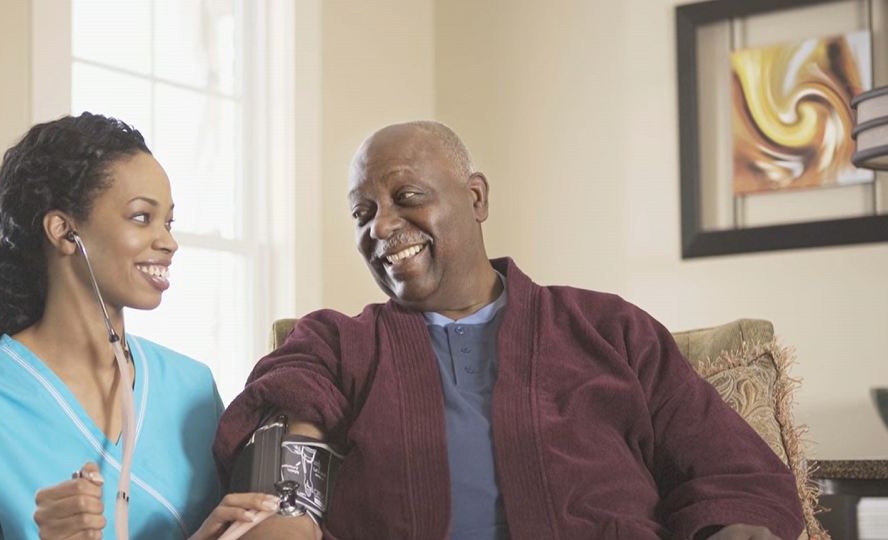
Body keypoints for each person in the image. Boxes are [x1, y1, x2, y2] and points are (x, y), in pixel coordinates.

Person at [212, 121, 805, 539]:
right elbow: (286, 406)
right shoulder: (337, 342)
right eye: (361, 213)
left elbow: (731, 469)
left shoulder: (609, 329)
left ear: (475, 198)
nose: (381, 226)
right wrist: (287, 505)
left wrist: (737, 529)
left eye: (407, 196)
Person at [0, 113, 277, 540]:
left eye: (169, 222)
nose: (168, 241)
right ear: (65, 231)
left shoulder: (192, 386)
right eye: (142, 217)